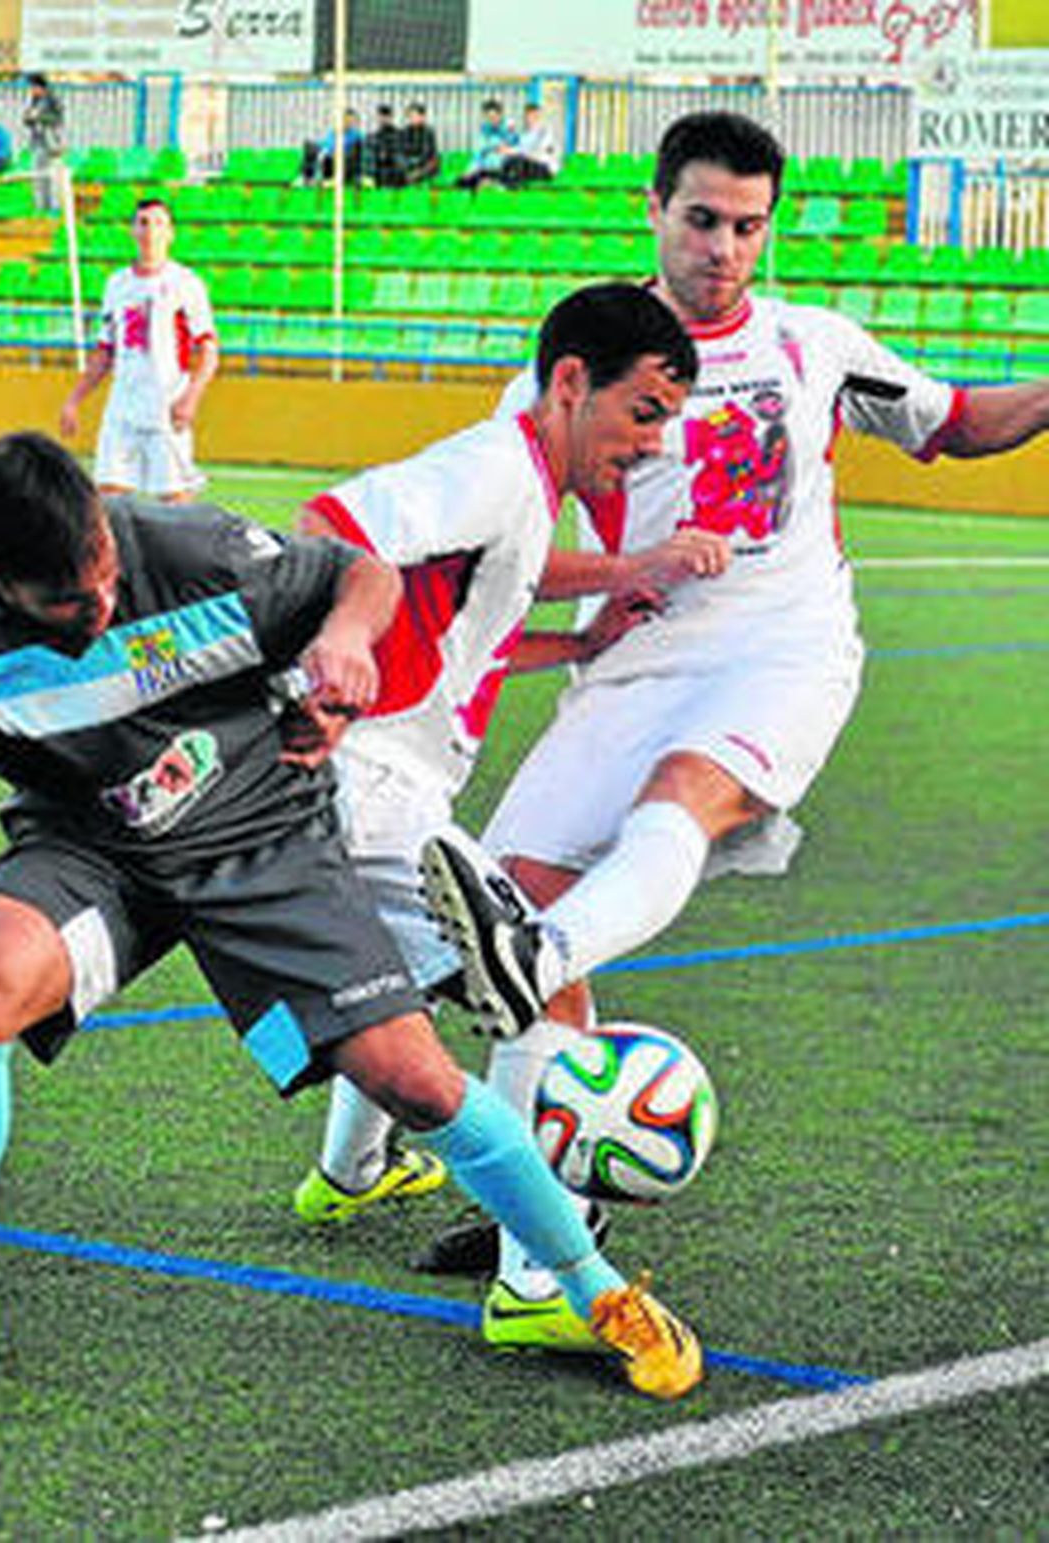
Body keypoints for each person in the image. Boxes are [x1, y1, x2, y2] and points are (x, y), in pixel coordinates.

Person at [0, 428, 704, 1404]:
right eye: (70, 601)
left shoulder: (190, 549)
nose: (103, 604)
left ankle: (588, 1289)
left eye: (105, 575)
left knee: (419, 1085)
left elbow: (359, 574)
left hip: (261, 835)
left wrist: (342, 643)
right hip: (93, 848)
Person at [375, 110, 1049, 1325]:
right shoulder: (567, 365)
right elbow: (508, 535)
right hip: (628, 664)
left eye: (747, 225)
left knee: (667, 804)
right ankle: (547, 1210)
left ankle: (537, 1107)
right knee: (504, 894)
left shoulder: (814, 346)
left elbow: (956, 427)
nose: (723, 248)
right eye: (701, 220)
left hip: (779, 653)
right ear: (653, 209)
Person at [290, 285, 715, 1356]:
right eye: (645, 410)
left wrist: (574, 646)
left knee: (391, 997)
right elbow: (333, 527)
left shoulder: (525, 493)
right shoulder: (493, 465)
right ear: (570, 382)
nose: (651, 444)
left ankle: (349, 1176)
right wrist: (336, 662)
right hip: (368, 783)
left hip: (377, 786)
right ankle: (536, 1277)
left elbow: (460, 638)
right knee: (540, 981)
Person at [58, 197, 218, 502]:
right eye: (143, 222)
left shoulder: (185, 283)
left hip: (166, 405)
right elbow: (105, 351)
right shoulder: (117, 284)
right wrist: (74, 400)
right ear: (132, 230)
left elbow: (208, 350)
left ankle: (179, 552)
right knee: (107, 500)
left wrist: (191, 398)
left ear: (170, 233)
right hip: (123, 406)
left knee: (175, 503)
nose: (150, 231)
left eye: (158, 223)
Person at [23, 73, 66, 214]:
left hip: (52, 143)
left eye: (34, 87)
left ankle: (54, 207)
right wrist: (30, 117)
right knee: (38, 175)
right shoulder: (33, 101)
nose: (32, 91)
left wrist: (40, 117)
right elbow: (26, 119)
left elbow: (58, 119)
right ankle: (40, 206)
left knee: (52, 176)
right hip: (38, 142)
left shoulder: (53, 100)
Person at [456, 100, 513, 192]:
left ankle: (492, 184)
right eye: (489, 117)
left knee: (512, 180)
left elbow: (511, 153)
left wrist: (502, 149)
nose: (492, 120)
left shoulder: (508, 131)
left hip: (500, 170)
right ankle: (486, 183)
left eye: (494, 117)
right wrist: (469, 171)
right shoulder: (484, 132)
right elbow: (478, 157)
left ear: (500, 115)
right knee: (460, 181)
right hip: (484, 170)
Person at [299, 110, 363, 186]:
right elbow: (326, 144)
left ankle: (319, 179)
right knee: (311, 148)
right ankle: (305, 178)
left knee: (327, 157)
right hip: (328, 157)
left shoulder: (356, 135)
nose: (349, 123)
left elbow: (356, 152)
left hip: (342, 162)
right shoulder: (333, 131)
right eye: (347, 120)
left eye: (351, 121)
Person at [503, 103, 561, 187]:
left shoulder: (545, 131)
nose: (531, 119)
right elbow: (521, 150)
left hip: (546, 168)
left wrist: (513, 151)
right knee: (508, 161)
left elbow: (537, 151)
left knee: (518, 161)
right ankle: (507, 188)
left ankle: (515, 187)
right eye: (528, 116)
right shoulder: (524, 134)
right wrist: (508, 150)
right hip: (529, 166)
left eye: (534, 116)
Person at [399, 101, 442, 186]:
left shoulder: (428, 132)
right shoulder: (405, 132)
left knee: (434, 161)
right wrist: (409, 163)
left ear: (423, 117)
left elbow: (427, 153)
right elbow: (402, 151)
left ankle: (414, 177)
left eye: (415, 116)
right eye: (410, 116)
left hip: (424, 166)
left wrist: (417, 165)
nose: (412, 118)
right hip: (409, 165)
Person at [366, 104, 404, 188]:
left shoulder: (398, 134)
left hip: (393, 167)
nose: (383, 119)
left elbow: (399, 153)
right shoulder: (374, 135)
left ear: (391, 118)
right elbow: (371, 151)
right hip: (378, 167)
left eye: (385, 116)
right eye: (381, 116)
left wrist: (387, 153)